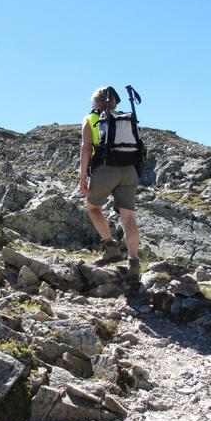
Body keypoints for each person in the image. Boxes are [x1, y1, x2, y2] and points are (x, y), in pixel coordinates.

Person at [80, 86, 140, 279]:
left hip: (106, 169)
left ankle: (111, 247)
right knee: (128, 216)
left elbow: (86, 148)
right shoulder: (127, 118)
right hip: (130, 170)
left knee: (93, 207)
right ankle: (134, 262)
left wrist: (83, 179)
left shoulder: (91, 119)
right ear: (115, 101)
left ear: (96, 103)